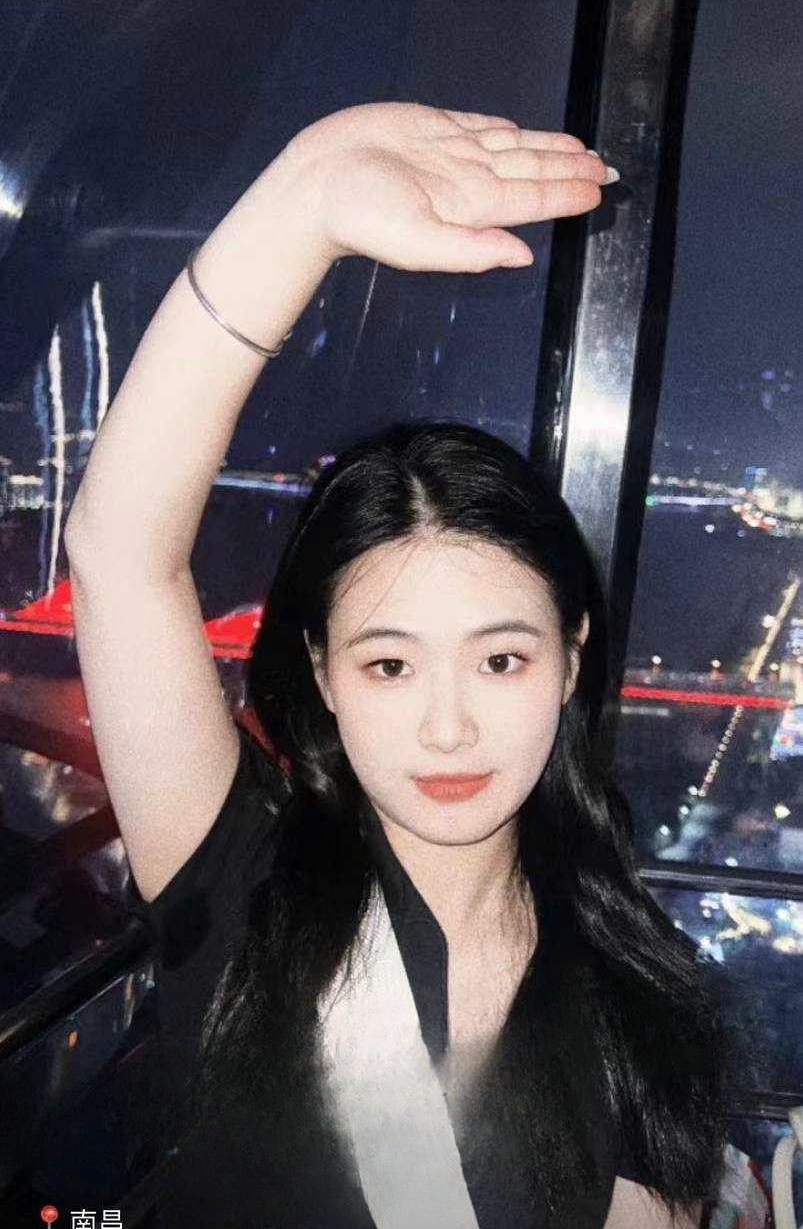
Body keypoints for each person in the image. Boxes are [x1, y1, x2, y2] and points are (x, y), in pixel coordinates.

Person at [65, 102, 752, 1228]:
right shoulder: (247, 882)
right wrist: (300, 206)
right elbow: (119, 554)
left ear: (569, 660)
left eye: (500, 659)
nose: (447, 728)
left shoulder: (624, 968)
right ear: (322, 674)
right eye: (388, 665)